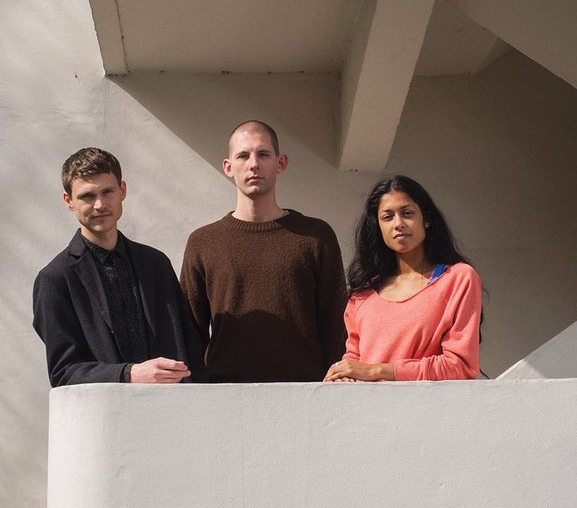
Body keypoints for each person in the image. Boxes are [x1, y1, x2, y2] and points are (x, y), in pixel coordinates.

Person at [180, 120, 347, 382]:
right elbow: (190, 332)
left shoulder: (315, 236)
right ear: (228, 167)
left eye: (263, 154)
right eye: (243, 155)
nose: (253, 164)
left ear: (280, 163)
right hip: (224, 395)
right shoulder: (203, 242)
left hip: (306, 394)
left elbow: (335, 323)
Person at [33, 147, 205, 386]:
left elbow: (190, 352)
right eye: (87, 196)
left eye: (107, 192)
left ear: (122, 190)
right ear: (68, 201)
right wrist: (130, 374)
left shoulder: (157, 264)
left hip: (172, 412)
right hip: (106, 418)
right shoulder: (55, 279)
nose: (99, 205)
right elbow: (63, 372)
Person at [324, 175, 482, 382]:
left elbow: (460, 366)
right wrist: (341, 376)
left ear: (426, 219)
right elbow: (354, 362)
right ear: (378, 227)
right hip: (367, 411)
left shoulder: (458, 279)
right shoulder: (363, 294)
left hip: (427, 410)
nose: (398, 224)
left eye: (407, 213)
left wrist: (378, 371)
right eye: (387, 217)